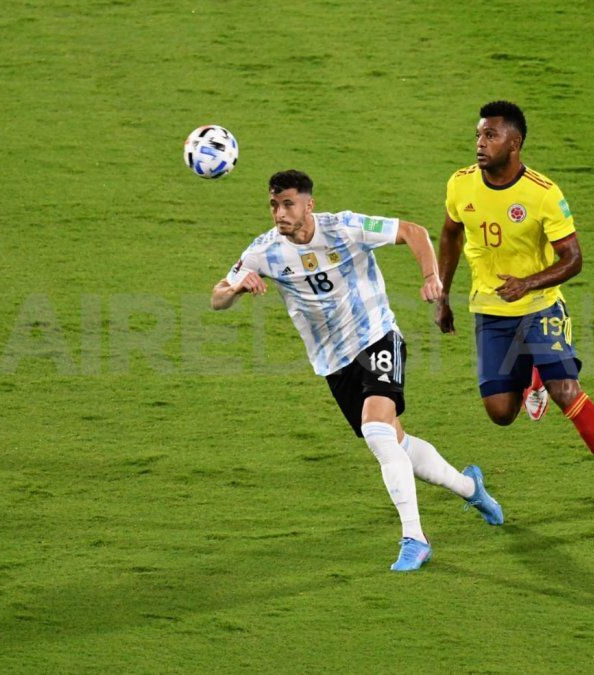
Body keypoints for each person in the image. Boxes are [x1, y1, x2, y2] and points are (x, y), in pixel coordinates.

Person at [211, 169, 503, 573]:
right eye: (274, 205)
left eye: (288, 204)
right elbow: (216, 298)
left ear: (309, 205)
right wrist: (237, 288)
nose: (280, 212)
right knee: (395, 443)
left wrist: (431, 277)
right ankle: (470, 487)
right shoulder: (264, 252)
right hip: (333, 364)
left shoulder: (345, 227)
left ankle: (415, 538)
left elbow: (413, 232)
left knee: (377, 431)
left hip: (377, 337)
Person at [435, 100, 594, 512]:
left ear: (515, 143)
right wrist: (442, 293)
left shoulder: (543, 194)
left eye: (490, 135)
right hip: (491, 311)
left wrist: (528, 284)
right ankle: (532, 377)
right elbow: (450, 234)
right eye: (478, 134)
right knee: (500, 412)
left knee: (566, 391)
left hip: (541, 307)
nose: (479, 143)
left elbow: (573, 259)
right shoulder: (461, 184)